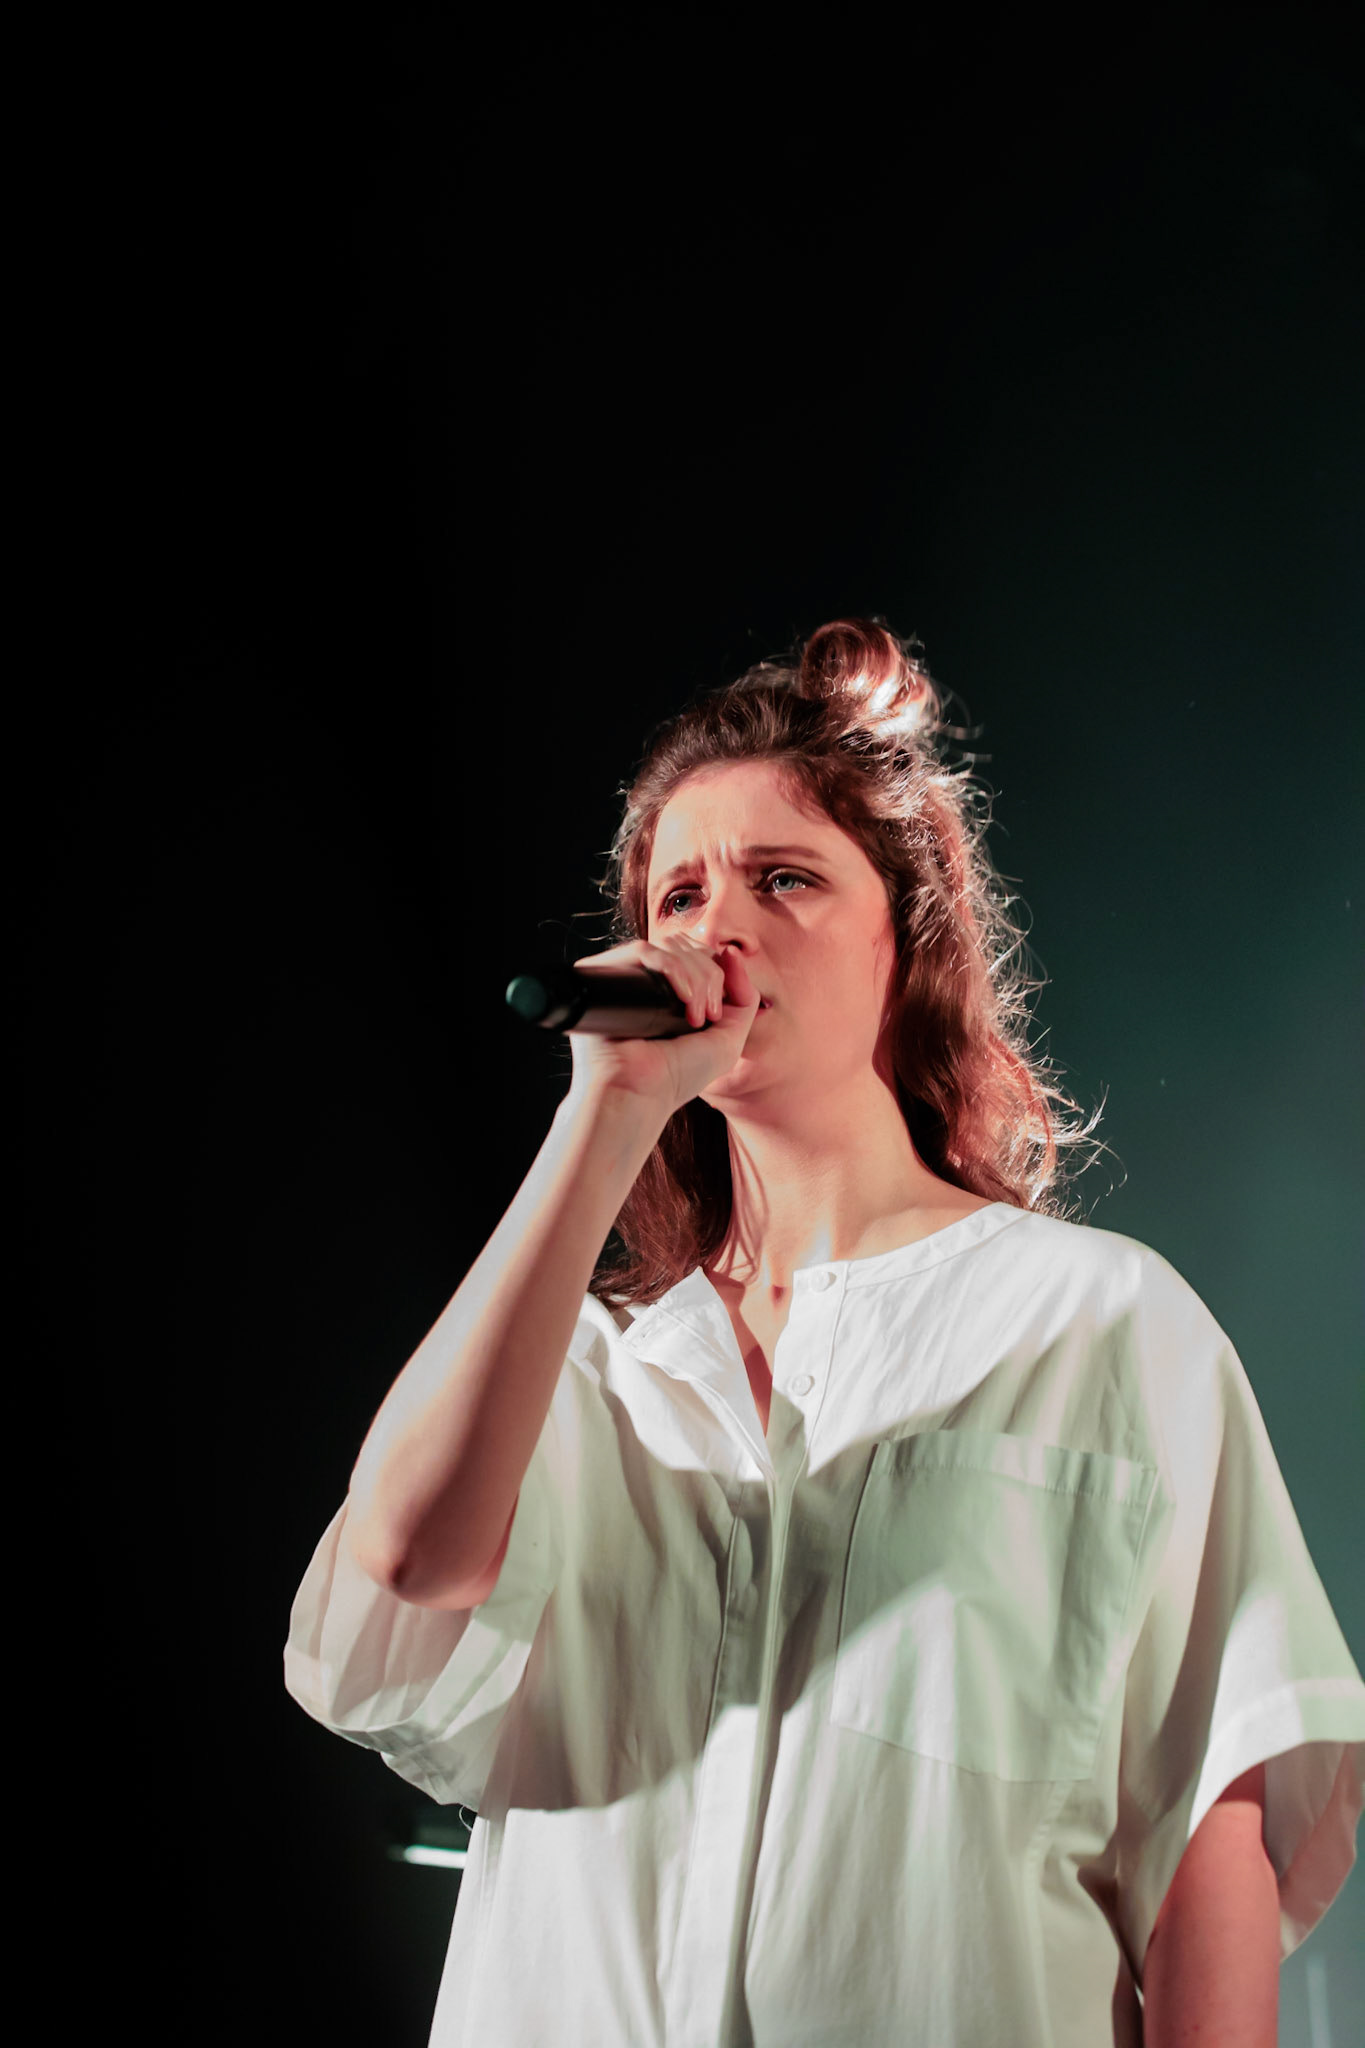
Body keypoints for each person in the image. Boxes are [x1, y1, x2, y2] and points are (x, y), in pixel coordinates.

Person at [283, 618, 1365, 2046]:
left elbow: (1208, 1823)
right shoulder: (587, 1372)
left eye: (781, 879)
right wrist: (601, 1116)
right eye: (676, 897)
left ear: (905, 937)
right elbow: (411, 1557)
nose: (712, 930)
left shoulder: (1096, 1322)